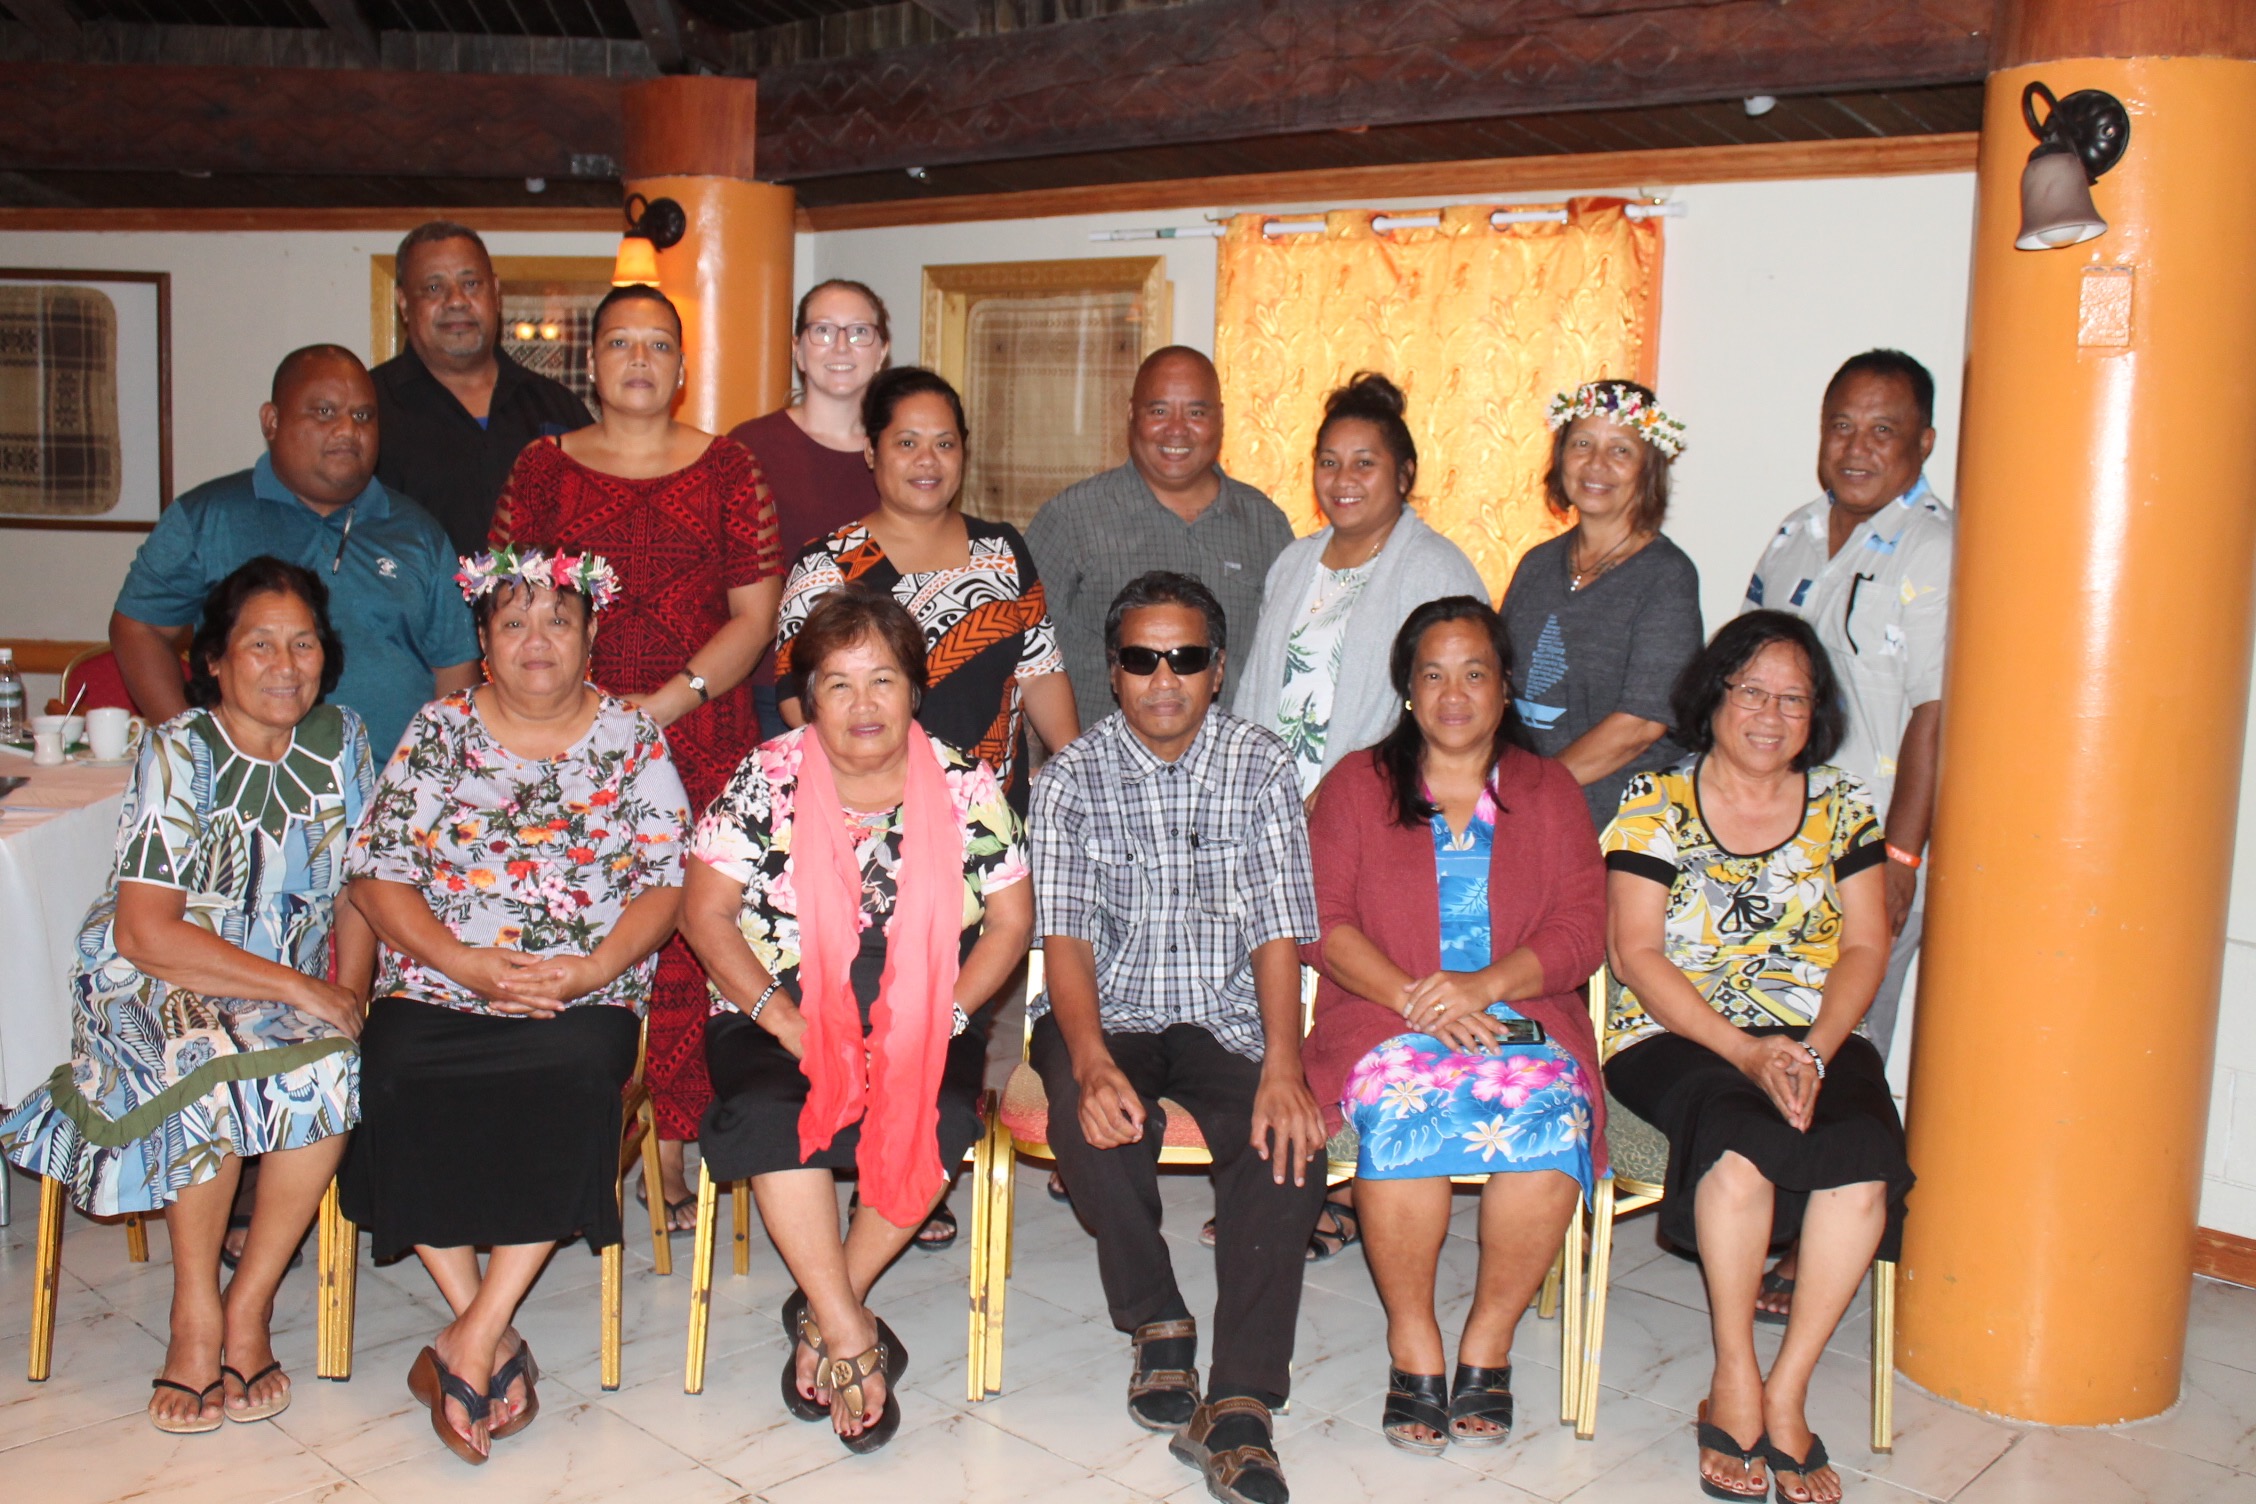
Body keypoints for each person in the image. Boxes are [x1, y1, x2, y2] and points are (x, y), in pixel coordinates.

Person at [2, 557, 376, 1435]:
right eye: (260, 645)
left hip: (289, 978)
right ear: (213, 659)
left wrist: (348, 995)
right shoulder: (179, 752)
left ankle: (246, 1303)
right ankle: (192, 1313)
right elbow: (146, 932)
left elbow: (361, 886)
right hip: (157, 973)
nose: (286, 666)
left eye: (304, 644)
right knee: (202, 1060)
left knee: (329, 1071)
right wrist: (303, 987)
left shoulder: (344, 741)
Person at [341, 549, 688, 1466]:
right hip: (442, 981)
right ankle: (486, 1333)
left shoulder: (633, 737)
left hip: (586, 988)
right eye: (513, 623)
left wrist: (587, 969)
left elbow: (664, 882)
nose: (537, 641)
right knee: (394, 1067)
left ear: (592, 633)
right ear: (485, 641)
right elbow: (378, 876)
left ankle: (470, 1339)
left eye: (558, 621)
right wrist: (464, 962)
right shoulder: (439, 729)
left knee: (576, 1075)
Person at [680, 590, 1033, 1453]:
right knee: (772, 1114)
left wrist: (943, 1015)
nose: (864, 704)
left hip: (921, 1003)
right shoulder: (765, 776)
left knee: (941, 1113)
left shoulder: (964, 783)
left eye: (883, 679)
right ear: (808, 699)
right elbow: (704, 915)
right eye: (837, 684)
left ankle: (823, 1310)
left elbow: (1012, 921)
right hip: (782, 1005)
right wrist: (791, 1024)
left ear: (914, 689)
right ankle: (847, 1334)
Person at [490, 282, 783, 1233]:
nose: (640, 361)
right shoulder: (543, 469)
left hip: (700, 735)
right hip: (563, 743)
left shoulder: (730, 468)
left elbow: (756, 614)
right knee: (581, 924)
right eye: (621, 343)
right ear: (592, 363)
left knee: (692, 938)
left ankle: (682, 1143)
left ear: (683, 365)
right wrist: (578, 715)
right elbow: (506, 608)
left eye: (659, 344)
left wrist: (662, 705)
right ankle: (589, 1133)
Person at [1028, 571, 1326, 1504]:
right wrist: (1088, 1061)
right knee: (1093, 1117)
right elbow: (1065, 943)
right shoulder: (1071, 777)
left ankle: (1239, 1403)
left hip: (1228, 1014)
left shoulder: (1262, 766)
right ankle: (1157, 1319)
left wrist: (1286, 1066)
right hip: (1107, 1010)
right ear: (1111, 672)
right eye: (1143, 659)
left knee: (1288, 1145)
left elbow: (1279, 929)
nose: (1166, 678)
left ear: (1220, 668)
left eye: (1187, 658)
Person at [1602, 611, 1912, 1504]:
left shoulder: (1844, 806)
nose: (1771, 715)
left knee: (1861, 1164)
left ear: (1816, 714)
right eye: (1752, 692)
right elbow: (1636, 954)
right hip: (1679, 1035)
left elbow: (1864, 946)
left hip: (1815, 1033)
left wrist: (1812, 1050)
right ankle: (1735, 1374)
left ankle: (1788, 1391)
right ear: (1716, 696)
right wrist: (1745, 1051)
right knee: (1737, 1150)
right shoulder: (1654, 803)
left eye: (1795, 699)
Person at [1300, 597, 1607, 1453]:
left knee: (1551, 1117)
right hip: (1384, 1015)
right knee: (1406, 1111)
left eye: (1475, 672)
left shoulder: (1548, 792)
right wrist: (1412, 998)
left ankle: (1488, 1345)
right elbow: (1321, 921)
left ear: (1506, 687)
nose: (1454, 692)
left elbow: (1583, 929)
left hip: (1522, 1013)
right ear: (1407, 689)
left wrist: (1483, 986)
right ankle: (1415, 1344)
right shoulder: (1359, 786)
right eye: (1433, 673)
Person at [1738, 350, 1949, 1327]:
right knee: (1769, 1024)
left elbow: (1937, 715)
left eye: (1883, 430)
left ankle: (1829, 1228)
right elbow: (1741, 683)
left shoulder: (1939, 552)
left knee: (1848, 1041)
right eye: (1842, 426)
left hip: (1865, 854)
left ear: (1924, 443)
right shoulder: (1789, 535)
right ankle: (1772, 1216)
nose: (1857, 447)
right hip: (1764, 842)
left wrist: (1901, 857)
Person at [110, 344, 482, 760]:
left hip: (391, 802)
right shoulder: (206, 518)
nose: (347, 430)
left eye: (363, 416)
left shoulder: (419, 533)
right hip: (246, 798)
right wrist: (191, 750)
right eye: (324, 412)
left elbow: (455, 671)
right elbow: (137, 629)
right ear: (271, 421)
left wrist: (435, 779)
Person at [775, 366, 1078, 813]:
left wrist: (1079, 772)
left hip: (994, 812)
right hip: (874, 812)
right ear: (871, 452)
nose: (928, 460)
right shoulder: (828, 564)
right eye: (907, 443)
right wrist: (867, 781)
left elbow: (1041, 673)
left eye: (944, 444)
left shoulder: (1002, 549)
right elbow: (795, 697)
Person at [1236, 372, 1489, 798]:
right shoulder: (1293, 562)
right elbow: (1255, 689)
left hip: (1380, 808)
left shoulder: (1436, 571)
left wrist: (1348, 789)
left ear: (1404, 475)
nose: (1342, 479)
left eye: (1365, 463)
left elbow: (1460, 709)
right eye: (1329, 462)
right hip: (1274, 812)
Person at [1027, 346, 1294, 729]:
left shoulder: (1264, 525)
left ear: (1220, 419)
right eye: (1159, 411)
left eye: (1196, 413)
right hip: (1102, 776)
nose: (1177, 429)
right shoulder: (1070, 520)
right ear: (1132, 415)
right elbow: (1025, 658)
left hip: (1234, 777)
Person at [1501, 380, 1703, 834]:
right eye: (1583, 444)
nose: (1596, 464)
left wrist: (1535, 791)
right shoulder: (1536, 564)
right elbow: (1503, 685)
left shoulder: (1667, 577)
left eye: (1620, 451)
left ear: (1649, 468)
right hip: (1528, 820)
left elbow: (1640, 726)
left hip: (1622, 832)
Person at [728, 278, 890, 736]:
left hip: (876, 688)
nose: (841, 344)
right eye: (823, 330)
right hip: (767, 689)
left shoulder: (903, 452)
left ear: (882, 351)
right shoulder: (748, 447)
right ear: (798, 350)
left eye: (859, 331)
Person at [372, 221, 592, 554]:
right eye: (433, 288)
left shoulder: (558, 407)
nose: (456, 301)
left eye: (471, 283)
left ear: (496, 292)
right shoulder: (368, 410)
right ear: (403, 303)